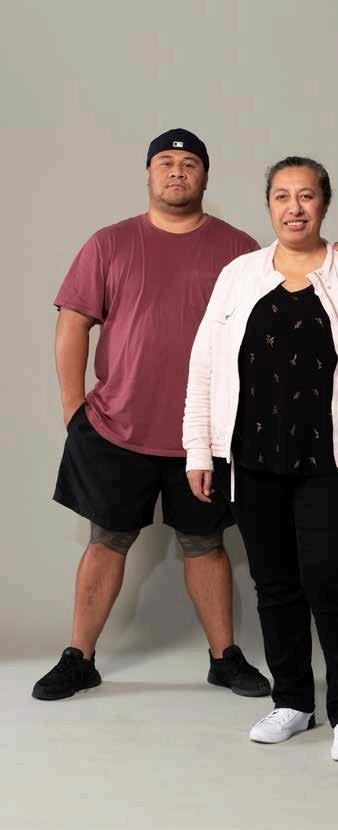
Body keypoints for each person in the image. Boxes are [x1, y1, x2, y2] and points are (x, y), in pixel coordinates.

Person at [33, 129, 271, 701]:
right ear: (148, 173)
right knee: (107, 541)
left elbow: (269, 327)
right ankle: (79, 658)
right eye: (165, 162)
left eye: (190, 163)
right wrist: (72, 410)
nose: (177, 171)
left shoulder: (239, 248)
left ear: (206, 176)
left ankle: (224, 658)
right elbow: (73, 323)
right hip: (117, 428)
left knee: (205, 543)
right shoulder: (109, 243)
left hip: (204, 434)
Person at [183, 157, 338, 762]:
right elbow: (205, 366)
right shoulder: (238, 275)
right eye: (282, 196)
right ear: (269, 205)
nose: (294, 208)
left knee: (334, 584)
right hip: (251, 459)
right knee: (274, 584)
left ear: (324, 204)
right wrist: (199, 449)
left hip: (333, 460)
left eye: (306, 196)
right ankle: (292, 702)